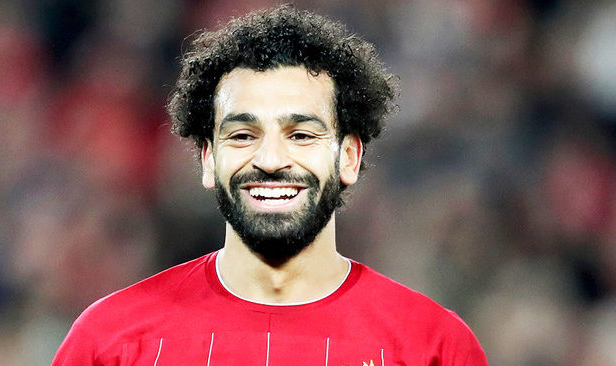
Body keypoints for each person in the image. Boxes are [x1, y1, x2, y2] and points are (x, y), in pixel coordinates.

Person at [52, 5, 488, 365]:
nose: (271, 160)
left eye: (301, 135)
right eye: (243, 135)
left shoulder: (435, 347)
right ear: (208, 159)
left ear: (349, 157)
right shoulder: (109, 343)